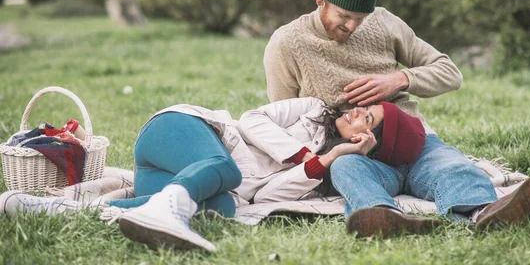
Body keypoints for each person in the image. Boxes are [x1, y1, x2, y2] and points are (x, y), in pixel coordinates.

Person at [263, 0, 530, 237]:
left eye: (361, 17)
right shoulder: (287, 43)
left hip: (413, 139)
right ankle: (381, 217)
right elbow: (283, 120)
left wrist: (400, 79)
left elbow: (450, 72)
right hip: (354, 152)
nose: (353, 26)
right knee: (346, 169)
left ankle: (486, 213)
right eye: (344, 16)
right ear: (320, 0)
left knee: (454, 166)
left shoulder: (385, 23)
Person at [0, 97, 427, 251]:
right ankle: (169, 210)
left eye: (366, 121)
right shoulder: (311, 108)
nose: (355, 113)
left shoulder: (324, 175)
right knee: (225, 171)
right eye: (363, 108)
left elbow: (265, 197)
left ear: (368, 144)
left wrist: (329, 160)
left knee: (223, 206)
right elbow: (251, 120)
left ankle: (56, 208)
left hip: (171, 176)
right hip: (180, 133)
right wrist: (300, 152)